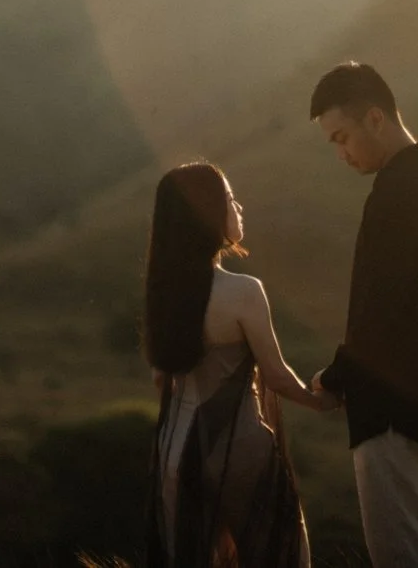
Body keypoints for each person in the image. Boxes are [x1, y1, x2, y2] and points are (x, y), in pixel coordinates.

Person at [308, 63, 418, 568]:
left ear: (375, 117)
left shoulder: (397, 195)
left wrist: (334, 380)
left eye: (342, 136)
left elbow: (381, 312)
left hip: (390, 416)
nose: (341, 154)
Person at [144, 161, 336, 568]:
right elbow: (277, 377)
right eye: (231, 199)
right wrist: (324, 400)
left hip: (174, 452)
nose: (240, 207)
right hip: (238, 447)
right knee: (283, 557)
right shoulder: (243, 291)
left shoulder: (163, 296)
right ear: (209, 214)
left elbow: (162, 380)